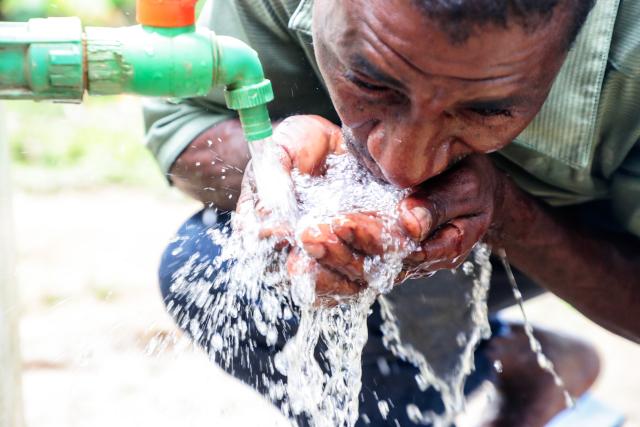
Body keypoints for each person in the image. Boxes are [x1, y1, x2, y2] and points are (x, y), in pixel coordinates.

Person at [140, 0, 640, 424]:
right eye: (369, 82)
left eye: (486, 111)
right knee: (219, 271)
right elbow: (183, 123)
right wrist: (279, 168)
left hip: (585, 234)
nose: (402, 167)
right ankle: (507, 361)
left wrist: (509, 214)